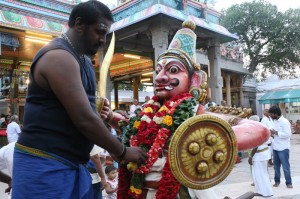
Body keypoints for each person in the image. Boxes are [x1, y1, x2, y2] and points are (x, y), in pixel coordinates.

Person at [101, 19, 270, 198]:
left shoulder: (196, 114)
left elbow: (259, 130)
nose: (159, 78)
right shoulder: (147, 112)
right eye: (158, 70)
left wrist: (201, 137)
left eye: (173, 70)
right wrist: (109, 115)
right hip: (139, 189)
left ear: (194, 80)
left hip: (175, 191)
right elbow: (130, 129)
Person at [12, 1, 147, 199]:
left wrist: (107, 115)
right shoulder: (59, 57)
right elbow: (83, 118)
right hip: (44, 165)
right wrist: (123, 151)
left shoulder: (83, 60)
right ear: (79, 25)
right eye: (99, 31)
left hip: (74, 164)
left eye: (106, 34)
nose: (103, 40)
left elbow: (87, 111)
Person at [248, 115, 273, 197]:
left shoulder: (257, 130)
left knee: (260, 175)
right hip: (264, 153)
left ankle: (265, 192)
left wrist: (251, 157)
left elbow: (256, 145)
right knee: (261, 174)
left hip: (259, 155)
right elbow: (269, 142)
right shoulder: (263, 128)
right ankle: (263, 191)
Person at [268, 106, 293, 188]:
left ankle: (289, 183)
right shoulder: (274, 121)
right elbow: (274, 133)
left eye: (271, 114)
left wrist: (277, 133)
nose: (270, 116)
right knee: (276, 166)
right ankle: (277, 181)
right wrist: (272, 134)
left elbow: (288, 134)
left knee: (285, 166)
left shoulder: (285, 122)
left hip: (283, 148)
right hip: (275, 147)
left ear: (276, 114)